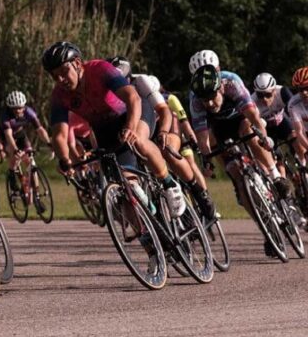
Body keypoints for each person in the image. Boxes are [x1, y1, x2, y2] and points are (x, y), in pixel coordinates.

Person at [43, 41, 187, 217]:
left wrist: (130, 127)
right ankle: (150, 227)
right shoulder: (59, 95)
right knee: (124, 187)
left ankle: (169, 183)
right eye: (54, 76)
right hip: (105, 129)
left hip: (133, 112)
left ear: (78, 63)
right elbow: (59, 135)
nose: (60, 80)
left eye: (63, 72)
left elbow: (132, 97)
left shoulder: (99, 69)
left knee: (139, 142)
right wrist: (64, 159)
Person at [188, 56, 294, 255]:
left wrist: (263, 136)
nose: (210, 103)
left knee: (249, 131)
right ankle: (266, 229)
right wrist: (207, 159)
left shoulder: (232, 83)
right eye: (205, 100)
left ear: (220, 87)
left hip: (240, 118)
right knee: (236, 176)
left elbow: (253, 114)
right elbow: (202, 137)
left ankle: (275, 176)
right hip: (219, 129)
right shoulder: (195, 99)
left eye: (213, 96)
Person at [109, 56, 216, 217]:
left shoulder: (141, 82)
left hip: (157, 120)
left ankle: (198, 191)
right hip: (133, 124)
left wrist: (164, 132)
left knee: (168, 149)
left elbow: (164, 111)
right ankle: (154, 215)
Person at [1, 91, 52, 210]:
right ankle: (12, 174)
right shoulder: (5, 115)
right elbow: (8, 136)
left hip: (20, 135)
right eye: (14, 109)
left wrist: (49, 143)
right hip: (6, 137)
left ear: (24, 106)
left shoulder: (29, 112)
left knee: (31, 163)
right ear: (10, 108)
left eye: (20, 108)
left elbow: (40, 130)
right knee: (15, 155)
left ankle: (37, 197)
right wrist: (15, 150)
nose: (18, 111)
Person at [251, 72, 307, 166]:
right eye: (260, 95)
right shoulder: (252, 101)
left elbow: (295, 110)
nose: (264, 99)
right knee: (275, 159)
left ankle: (303, 169)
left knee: (296, 141)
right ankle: (283, 178)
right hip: (266, 128)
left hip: (282, 122)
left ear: (274, 90)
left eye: (268, 94)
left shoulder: (282, 91)